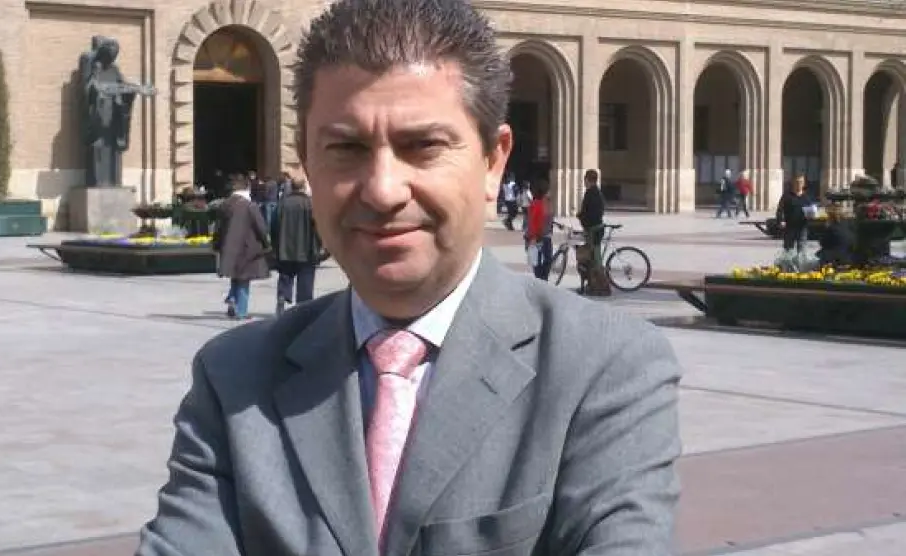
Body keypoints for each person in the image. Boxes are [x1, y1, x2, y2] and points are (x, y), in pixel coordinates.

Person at [137, 1, 682, 554]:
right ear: (307, 161)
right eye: (346, 148)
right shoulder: (234, 381)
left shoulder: (602, 367)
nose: (382, 190)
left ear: (493, 161)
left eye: (422, 146)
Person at [214, 176, 271, 320]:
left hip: (229, 248)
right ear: (247, 189)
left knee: (235, 276)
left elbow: (218, 227)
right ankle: (241, 311)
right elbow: (260, 227)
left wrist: (217, 244)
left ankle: (232, 298)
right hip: (247, 247)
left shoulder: (225, 205)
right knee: (244, 280)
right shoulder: (250, 206)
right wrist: (266, 243)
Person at [272, 179, 323, 316]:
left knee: (285, 274)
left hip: (285, 247)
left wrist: (275, 243)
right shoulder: (310, 204)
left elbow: (274, 224)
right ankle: (303, 305)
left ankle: (282, 295)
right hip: (307, 248)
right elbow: (318, 227)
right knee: (305, 278)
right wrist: (320, 244)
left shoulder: (282, 203)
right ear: (304, 187)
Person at [775, 173, 813, 253]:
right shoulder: (787, 196)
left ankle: (801, 261)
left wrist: (811, 216)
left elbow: (811, 211)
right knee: (788, 250)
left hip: (802, 226)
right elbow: (780, 210)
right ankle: (788, 261)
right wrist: (781, 220)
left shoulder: (806, 197)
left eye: (801, 182)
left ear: (804, 184)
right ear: (793, 183)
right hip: (790, 227)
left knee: (802, 249)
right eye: (797, 182)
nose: (799, 184)